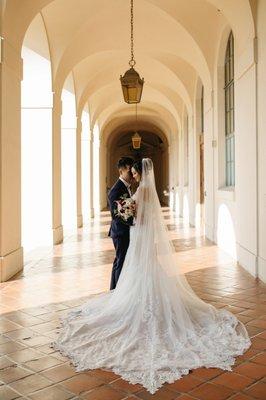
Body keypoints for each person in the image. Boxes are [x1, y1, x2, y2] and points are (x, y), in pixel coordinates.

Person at [51, 158, 251, 394]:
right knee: (140, 270)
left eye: (134, 172)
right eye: (132, 172)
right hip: (139, 237)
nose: (133, 176)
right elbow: (137, 213)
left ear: (139, 173)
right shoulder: (146, 189)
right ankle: (131, 297)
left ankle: (127, 299)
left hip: (139, 237)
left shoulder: (142, 190)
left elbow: (136, 214)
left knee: (135, 269)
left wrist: (131, 214)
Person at [108, 157, 134, 290]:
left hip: (125, 230)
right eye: (129, 169)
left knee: (119, 260)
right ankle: (117, 293)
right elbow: (115, 215)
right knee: (121, 261)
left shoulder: (128, 187)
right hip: (120, 231)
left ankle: (113, 290)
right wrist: (131, 218)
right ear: (121, 170)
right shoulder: (116, 190)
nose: (131, 172)